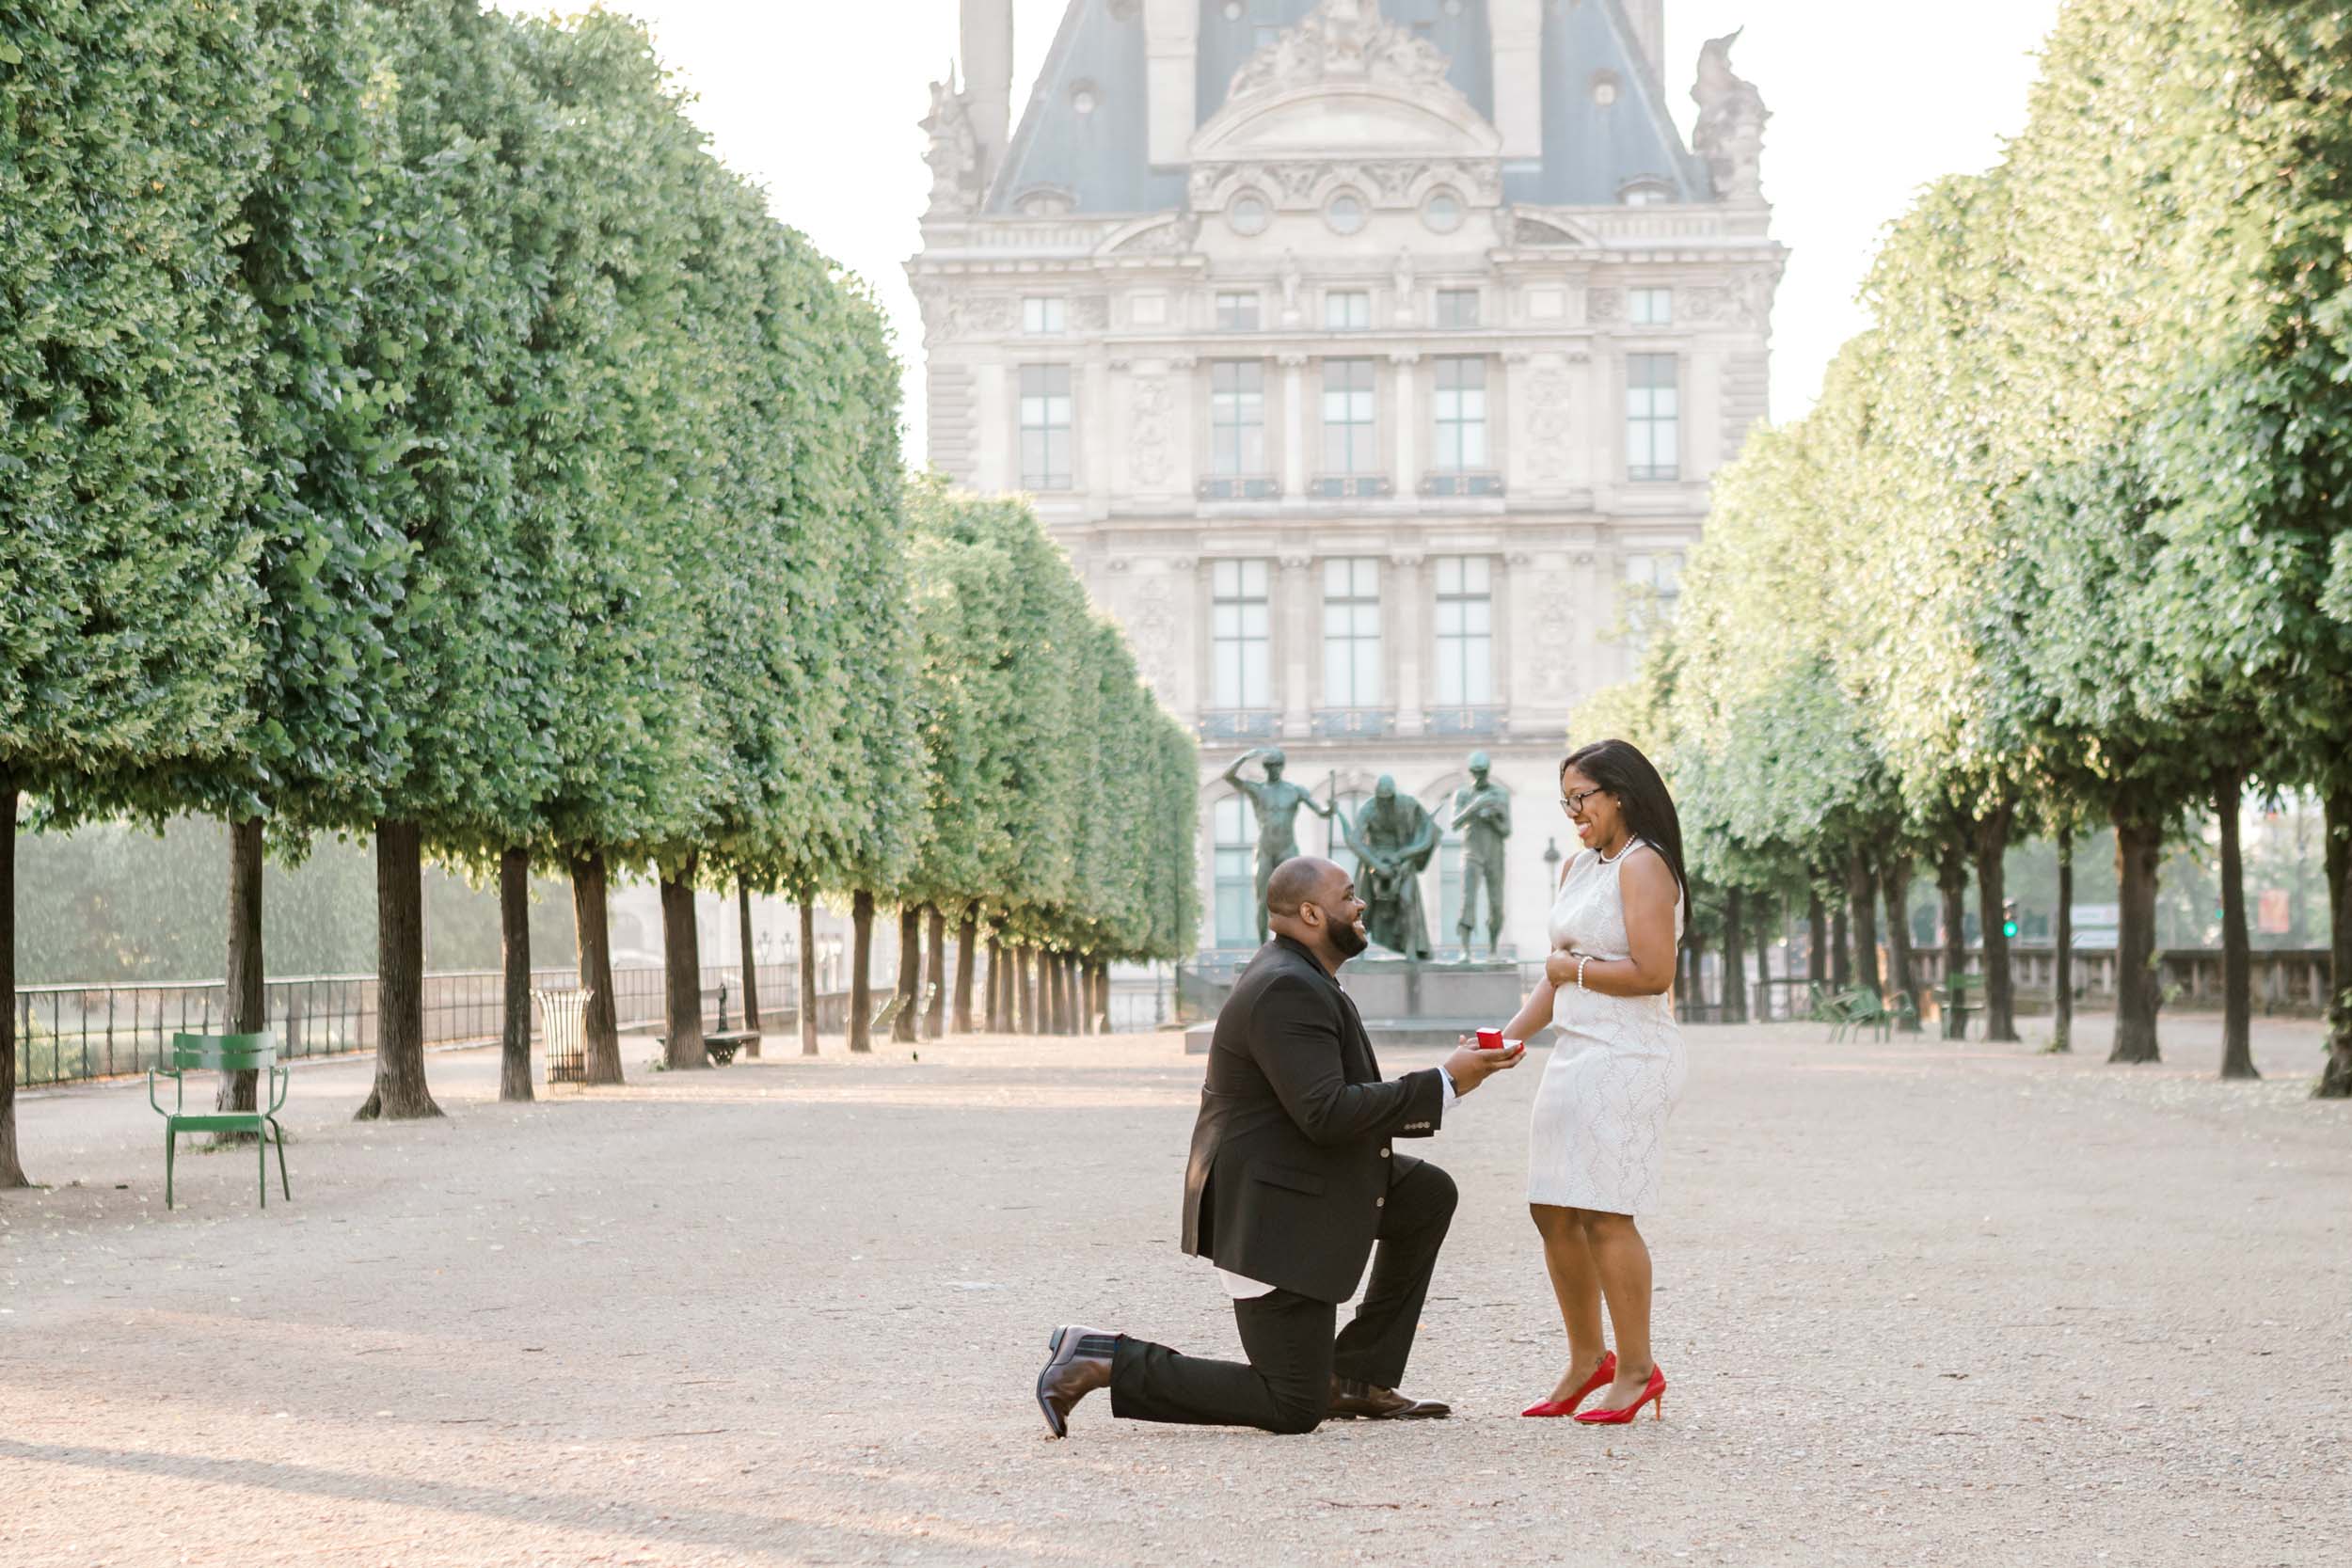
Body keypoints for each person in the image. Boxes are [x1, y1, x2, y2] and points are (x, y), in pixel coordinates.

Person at [1034, 856, 1526, 1436]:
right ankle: (1100, 1358)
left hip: (1295, 1181)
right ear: (1313, 913)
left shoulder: (1300, 974)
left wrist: (1448, 1081)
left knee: (1424, 1193)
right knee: (1291, 1406)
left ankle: (1356, 1376)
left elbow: (1329, 1099)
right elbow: (1326, 1113)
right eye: (1349, 896)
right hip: (1271, 1213)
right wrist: (1445, 1081)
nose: (1361, 904)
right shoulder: (1286, 987)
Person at [1490, 738, 1688, 1425]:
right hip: (1576, 1051)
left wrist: (1568, 970)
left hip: (1628, 1054)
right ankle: (1588, 1357)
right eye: (1567, 799)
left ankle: (1638, 1368)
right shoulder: (1579, 865)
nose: (1573, 812)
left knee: (1606, 1209)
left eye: (1583, 798)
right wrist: (1509, 1036)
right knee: (1551, 1205)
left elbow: (1652, 973)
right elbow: (1558, 970)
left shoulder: (1645, 867)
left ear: (1621, 795)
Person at [1220, 747, 1335, 944]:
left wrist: (1330, 808)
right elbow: (1228, 777)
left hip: (1287, 850)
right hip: (1265, 850)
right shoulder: (1258, 790)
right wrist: (1244, 757)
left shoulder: (1295, 791)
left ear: (1282, 767)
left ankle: (1296, 944)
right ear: (1265, 768)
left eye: (1275, 765)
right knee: (1262, 902)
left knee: (1296, 901)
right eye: (1269, 766)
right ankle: (1262, 947)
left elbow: (1321, 812)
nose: (1272, 769)